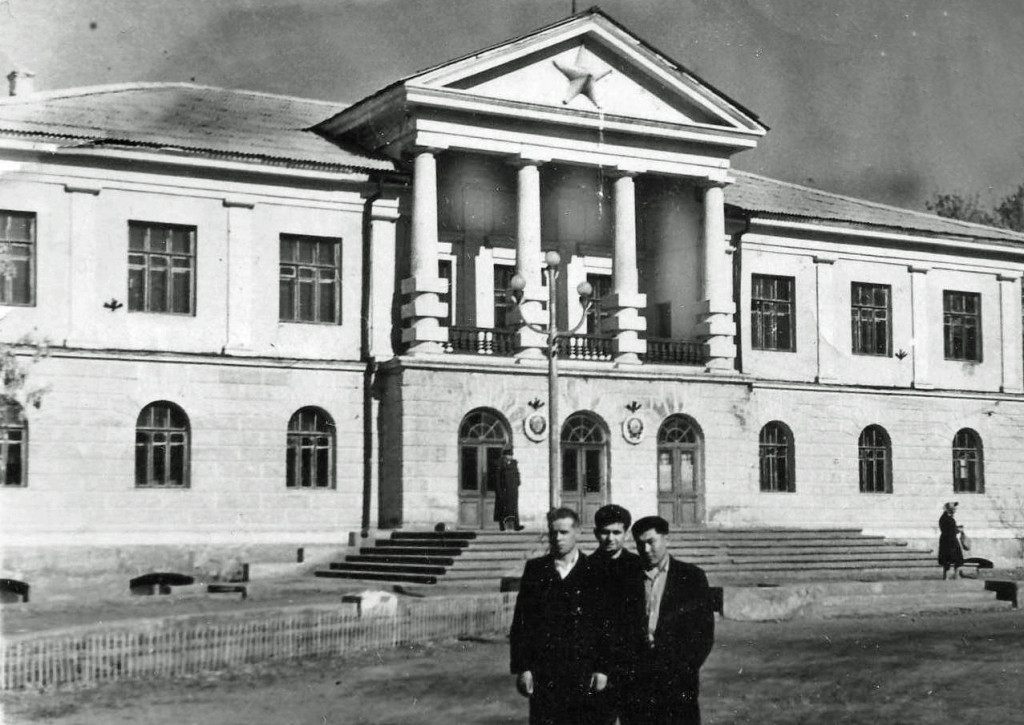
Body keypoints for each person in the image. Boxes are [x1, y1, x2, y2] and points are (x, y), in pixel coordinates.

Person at [510, 507, 610, 725]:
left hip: (584, 671)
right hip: (545, 672)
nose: (558, 538)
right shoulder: (536, 570)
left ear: (578, 532)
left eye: (564, 532)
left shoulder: (595, 570)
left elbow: (604, 625)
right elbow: (522, 622)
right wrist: (523, 668)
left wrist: (602, 668)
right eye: (553, 532)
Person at [620, 516, 715, 725]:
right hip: (637, 684)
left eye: (651, 542)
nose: (645, 549)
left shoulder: (692, 577)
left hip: (678, 683)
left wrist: (682, 669)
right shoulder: (626, 578)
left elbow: (704, 634)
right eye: (640, 544)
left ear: (666, 540)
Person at [588, 504, 642, 725]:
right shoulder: (586, 568)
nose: (610, 538)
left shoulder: (639, 567)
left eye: (617, 532)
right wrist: (599, 666)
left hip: (633, 664)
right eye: (605, 532)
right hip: (598, 667)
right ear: (595, 533)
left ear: (626, 533)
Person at [494, 448, 524, 531]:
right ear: (504, 455)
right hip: (504, 490)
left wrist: (518, 482)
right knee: (502, 508)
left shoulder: (514, 463)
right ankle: (502, 526)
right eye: (508, 455)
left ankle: (516, 525)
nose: (510, 457)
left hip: (513, 490)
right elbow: (497, 478)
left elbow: (517, 474)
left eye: (511, 455)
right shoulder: (499, 464)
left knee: (514, 508)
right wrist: (499, 490)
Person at [938, 501, 965, 580]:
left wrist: (957, 528)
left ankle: (955, 575)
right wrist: (958, 530)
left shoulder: (948, 517)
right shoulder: (945, 518)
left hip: (950, 540)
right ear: (949, 509)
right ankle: (948, 576)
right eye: (953, 508)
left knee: (956, 559)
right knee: (948, 559)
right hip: (948, 541)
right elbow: (948, 530)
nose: (955, 509)